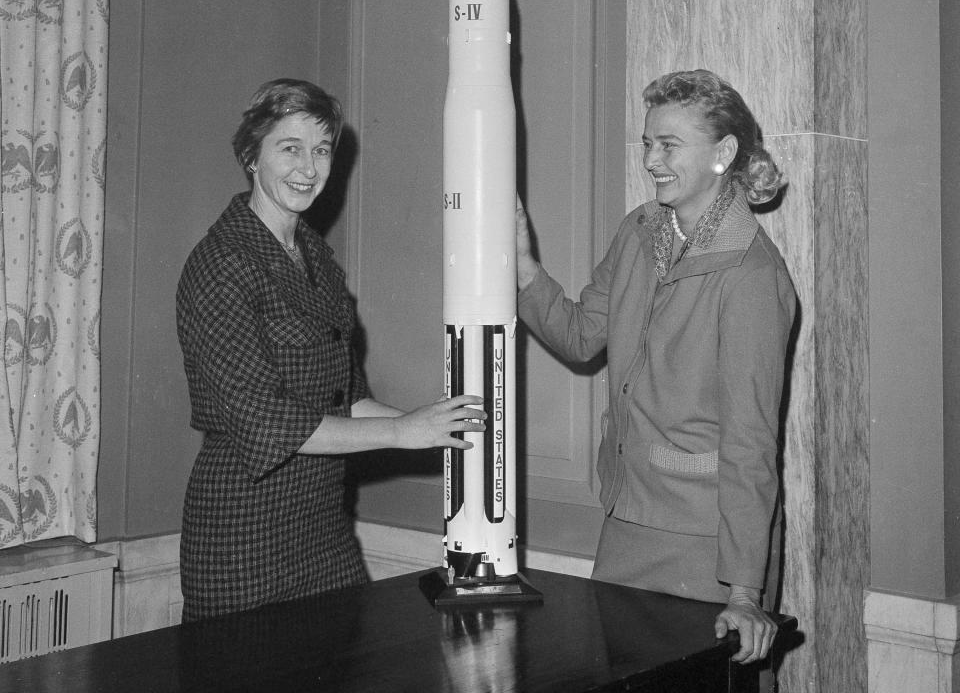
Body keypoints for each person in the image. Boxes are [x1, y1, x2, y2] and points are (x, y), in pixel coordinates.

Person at [177, 78, 485, 622]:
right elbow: (266, 423)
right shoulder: (222, 263)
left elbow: (348, 400)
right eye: (289, 148)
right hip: (243, 536)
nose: (308, 168)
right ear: (252, 155)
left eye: (321, 151)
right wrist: (400, 432)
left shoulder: (316, 257)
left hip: (322, 531)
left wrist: (440, 427)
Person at [515, 69, 795, 667]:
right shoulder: (639, 231)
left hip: (705, 545)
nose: (651, 160)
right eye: (647, 143)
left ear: (724, 153)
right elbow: (580, 335)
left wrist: (745, 592)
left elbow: (751, 444)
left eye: (669, 145)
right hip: (626, 516)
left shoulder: (751, 275)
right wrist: (522, 265)